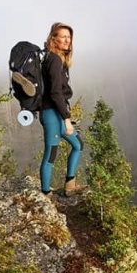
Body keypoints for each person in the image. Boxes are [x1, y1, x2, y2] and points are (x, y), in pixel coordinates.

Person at [40, 22, 85, 198]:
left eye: (69, 37)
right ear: (54, 39)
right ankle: (46, 195)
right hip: (52, 114)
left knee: (78, 144)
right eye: (63, 37)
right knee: (51, 153)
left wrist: (65, 116)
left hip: (56, 113)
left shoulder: (57, 60)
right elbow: (55, 93)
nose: (67, 40)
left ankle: (70, 185)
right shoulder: (54, 60)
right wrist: (66, 120)